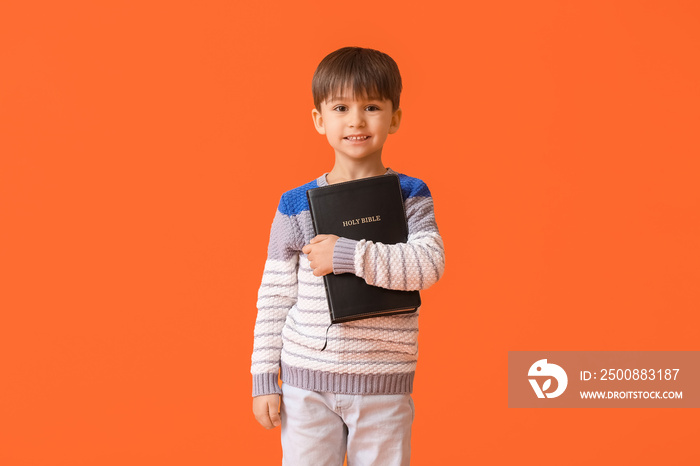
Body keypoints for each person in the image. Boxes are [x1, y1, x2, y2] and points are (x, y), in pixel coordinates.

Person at [250, 46, 446, 465]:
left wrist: (347, 254)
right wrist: (264, 376)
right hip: (306, 385)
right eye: (341, 107)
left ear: (394, 118)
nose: (356, 120)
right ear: (320, 120)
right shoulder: (295, 204)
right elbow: (274, 298)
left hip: (383, 385)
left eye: (371, 106)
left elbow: (428, 265)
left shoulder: (410, 195)